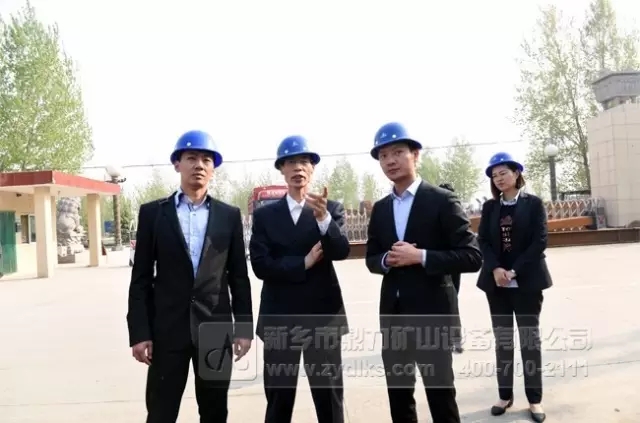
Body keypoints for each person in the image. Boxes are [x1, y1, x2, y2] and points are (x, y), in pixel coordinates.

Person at [127, 130, 254, 423]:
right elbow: (141, 278)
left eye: (206, 160)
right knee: (161, 412)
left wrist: (244, 328)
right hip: (167, 331)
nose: (199, 165)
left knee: (214, 412)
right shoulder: (153, 214)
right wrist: (140, 332)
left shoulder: (228, 216)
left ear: (213, 169)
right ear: (177, 164)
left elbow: (239, 277)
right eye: (191, 158)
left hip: (215, 330)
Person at [365, 122, 483, 423]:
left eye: (397, 152)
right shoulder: (381, 208)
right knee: (399, 395)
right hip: (393, 315)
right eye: (383, 156)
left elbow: (472, 256)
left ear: (415, 154)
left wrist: (421, 256)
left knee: (440, 395)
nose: (390, 161)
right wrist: (387, 260)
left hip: (432, 314)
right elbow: (371, 257)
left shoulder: (441, 200)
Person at [249, 135, 350, 423]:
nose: (298, 168)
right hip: (279, 316)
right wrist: (302, 264)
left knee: (329, 400)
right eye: (291, 162)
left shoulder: (330, 209)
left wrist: (323, 221)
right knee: (279, 400)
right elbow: (260, 265)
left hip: (323, 316)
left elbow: (340, 251)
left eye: (304, 161)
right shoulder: (266, 216)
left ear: (313, 168)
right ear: (281, 169)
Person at [476, 152, 552, 423]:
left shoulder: (533, 204)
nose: (498, 179)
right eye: (494, 175)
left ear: (516, 173)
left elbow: (539, 241)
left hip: (527, 281)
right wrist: (496, 269)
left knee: (529, 341)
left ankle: (535, 399)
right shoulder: (490, 207)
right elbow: (483, 241)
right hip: (497, 284)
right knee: (503, 341)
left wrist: (514, 270)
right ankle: (504, 395)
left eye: (503, 173)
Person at [438, 183, 464, 354]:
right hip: (450, 261)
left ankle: (453, 339)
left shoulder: (448, 212)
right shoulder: (455, 211)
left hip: (448, 262)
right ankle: (455, 339)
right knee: (452, 301)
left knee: (450, 300)